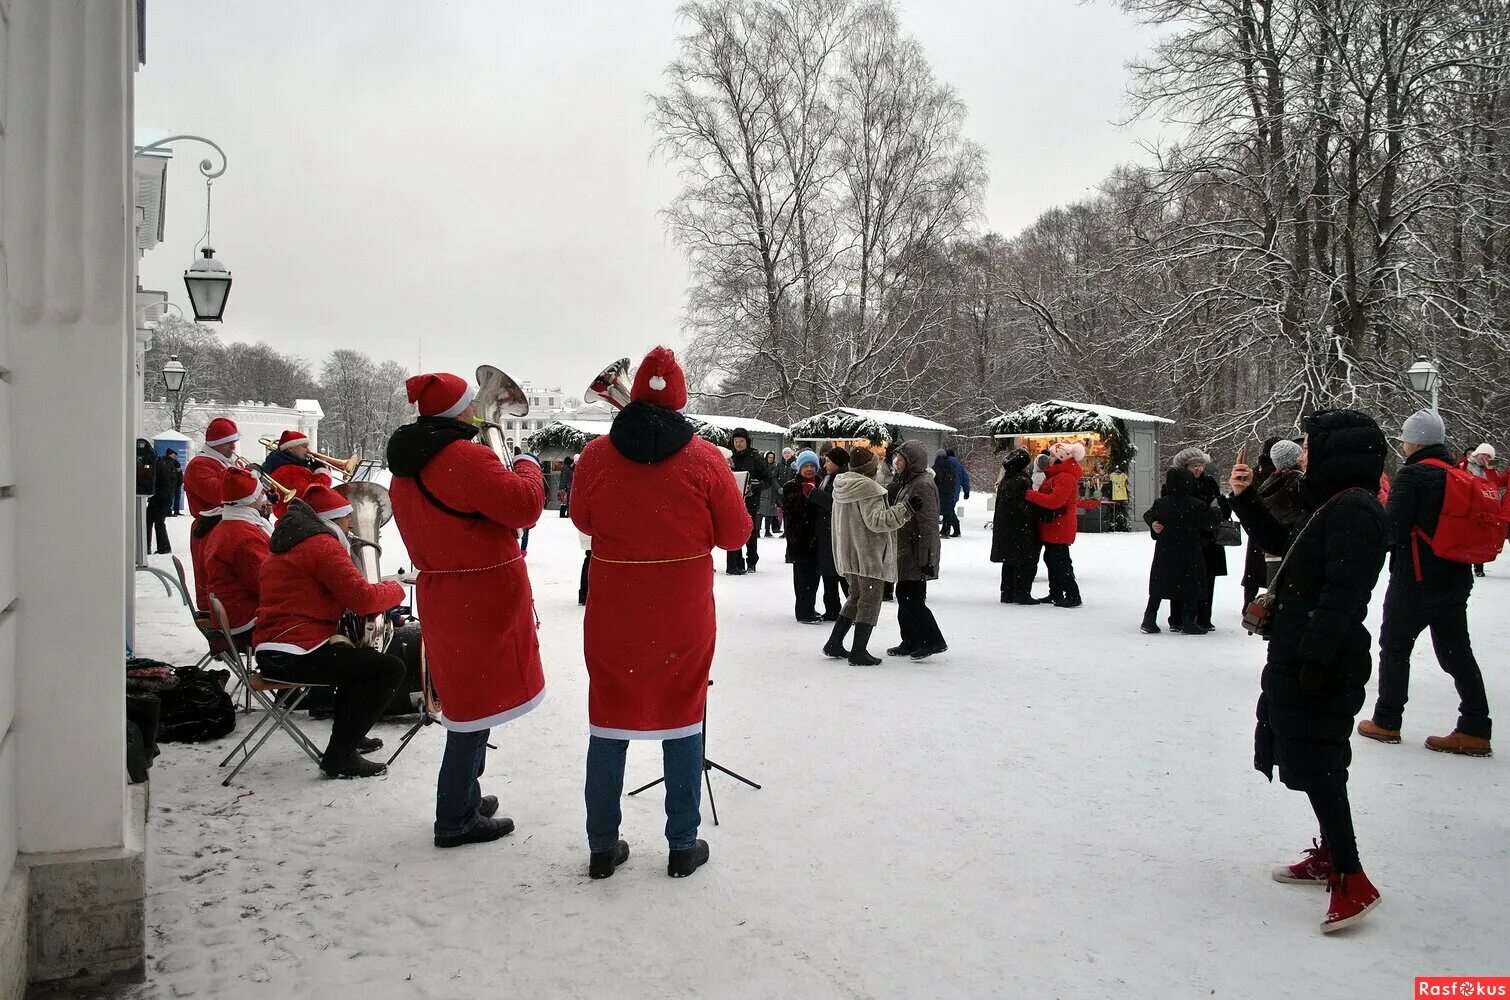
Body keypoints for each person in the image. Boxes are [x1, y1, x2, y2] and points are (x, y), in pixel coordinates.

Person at [570, 347, 751, 880]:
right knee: (682, 714)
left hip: (615, 608)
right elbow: (737, 534)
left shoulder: (596, 456)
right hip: (683, 609)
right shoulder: (706, 459)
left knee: (608, 719)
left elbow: (581, 517)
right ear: (680, 399)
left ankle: (602, 845)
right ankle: (681, 842)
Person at [1229, 408, 1389, 934]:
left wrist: (1316, 657)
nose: (1301, 451)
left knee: (1321, 766)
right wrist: (1248, 497)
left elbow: (1345, 597)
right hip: (1302, 647)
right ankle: (1332, 855)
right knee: (1308, 755)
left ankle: (1352, 876)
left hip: (1322, 654)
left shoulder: (1355, 510)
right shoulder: (1331, 503)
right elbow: (1282, 544)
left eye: (1308, 443)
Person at [386, 372, 547, 847]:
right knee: (473, 711)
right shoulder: (463, 458)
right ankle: (455, 815)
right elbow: (524, 508)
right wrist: (527, 465)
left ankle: (466, 796)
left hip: (445, 592)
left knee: (467, 703)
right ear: (460, 410)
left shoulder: (405, 466)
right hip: (482, 595)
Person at [1357, 409, 1493, 757]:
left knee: (1395, 648)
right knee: (1457, 653)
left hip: (1414, 579)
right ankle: (1476, 727)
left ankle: (1387, 721)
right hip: (1455, 579)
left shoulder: (1412, 476)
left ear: (1414, 441)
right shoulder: (1458, 474)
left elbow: (1394, 530)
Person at [254, 484, 407, 779]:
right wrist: (396, 589)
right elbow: (363, 600)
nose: (351, 524)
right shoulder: (321, 545)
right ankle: (340, 755)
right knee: (388, 669)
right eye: (348, 518)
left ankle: (350, 736)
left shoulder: (292, 543)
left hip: (277, 648)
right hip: (295, 653)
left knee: (355, 661)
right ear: (334, 519)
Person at [825, 447, 913, 665]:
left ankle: (834, 642)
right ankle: (858, 651)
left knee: (855, 598)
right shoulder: (869, 489)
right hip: (869, 555)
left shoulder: (842, 485)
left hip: (850, 555)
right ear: (870, 469)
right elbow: (877, 521)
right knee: (869, 601)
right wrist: (905, 510)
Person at [1141, 467, 1219, 634]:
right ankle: (1188, 621)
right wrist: (1217, 510)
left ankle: (1149, 619)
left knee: (1159, 586)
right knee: (1190, 584)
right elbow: (1209, 523)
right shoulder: (1195, 504)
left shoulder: (1161, 503)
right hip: (1189, 550)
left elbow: (1148, 515)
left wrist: (1153, 523)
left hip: (1165, 551)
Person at [202, 467, 273, 647]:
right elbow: (265, 583)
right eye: (259, 492)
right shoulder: (243, 535)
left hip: (235, 611)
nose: (263, 494)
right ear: (249, 499)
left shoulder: (229, 525)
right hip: (244, 619)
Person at [893, 441, 947, 659]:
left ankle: (932, 640)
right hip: (907, 550)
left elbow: (928, 525)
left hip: (916, 553)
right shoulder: (910, 481)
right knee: (904, 595)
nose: (897, 463)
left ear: (912, 462)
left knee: (911, 598)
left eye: (902, 459)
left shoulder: (922, 485)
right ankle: (910, 640)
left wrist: (927, 557)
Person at [183, 417, 240, 612]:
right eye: (228, 442)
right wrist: (245, 480)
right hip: (210, 530)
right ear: (216, 443)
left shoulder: (225, 462)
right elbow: (220, 493)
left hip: (228, 528)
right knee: (212, 578)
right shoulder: (199, 465)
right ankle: (214, 614)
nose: (233, 446)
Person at [1171, 447, 1230, 631]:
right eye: (1194, 466)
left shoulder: (1210, 482)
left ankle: (1204, 617)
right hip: (1185, 538)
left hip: (1208, 538)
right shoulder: (1174, 484)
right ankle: (1178, 618)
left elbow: (1221, 506)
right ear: (1184, 467)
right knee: (1182, 577)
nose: (1198, 469)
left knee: (1207, 578)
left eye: (1201, 465)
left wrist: (1218, 508)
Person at [1027, 441, 1085, 608]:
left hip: (1060, 525)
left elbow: (1055, 501)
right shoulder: (1057, 475)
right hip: (1054, 524)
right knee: (1052, 559)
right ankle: (1056, 593)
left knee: (1060, 561)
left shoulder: (1065, 477)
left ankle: (1072, 594)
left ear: (1061, 458)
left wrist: (1030, 495)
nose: (1049, 458)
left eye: (1053, 455)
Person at [1251, 439, 1307, 590]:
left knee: (1274, 593)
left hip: (1272, 549)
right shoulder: (1299, 483)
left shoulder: (1268, 484)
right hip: (1295, 546)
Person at [990, 449, 1041, 604]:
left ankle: (1007, 593)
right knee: (1023, 561)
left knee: (1009, 561)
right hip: (1020, 527)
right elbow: (1024, 506)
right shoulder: (1020, 480)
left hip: (1006, 526)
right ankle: (1021, 594)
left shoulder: (1008, 478)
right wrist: (1038, 513)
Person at [781, 450, 826, 624]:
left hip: (817, 538)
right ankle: (803, 612)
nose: (809, 469)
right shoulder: (791, 486)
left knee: (814, 576)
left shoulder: (821, 483)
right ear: (799, 468)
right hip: (799, 538)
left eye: (812, 466)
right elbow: (792, 507)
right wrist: (807, 495)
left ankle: (810, 607)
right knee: (802, 577)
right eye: (806, 466)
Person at [807, 447, 851, 621]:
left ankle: (852, 610)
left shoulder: (844, 480)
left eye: (828, 461)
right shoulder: (827, 478)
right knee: (828, 575)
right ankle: (832, 609)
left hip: (836, 533)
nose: (825, 464)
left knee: (841, 575)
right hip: (825, 534)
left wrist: (814, 494)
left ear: (838, 464)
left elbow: (837, 504)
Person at [1240, 437, 1282, 608]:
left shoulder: (1256, 472)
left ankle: (1248, 602)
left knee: (1253, 567)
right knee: (1274, 565)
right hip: (1276, 522)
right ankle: (1273, 600)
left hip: (1258, 524)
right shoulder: (1280, 473)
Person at [727, 429, 772, 574]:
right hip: (732, 501)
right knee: (733, 531)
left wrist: (757, 485)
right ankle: (736, 563)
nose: (738, 444)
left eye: (741, 441)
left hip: (751, 501)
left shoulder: (755, 458)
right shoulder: (729, 456)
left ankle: (751, 561)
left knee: (750, 532)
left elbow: (768, 479)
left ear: (747, 441)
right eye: (736, 441)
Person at [1459, 443, 1503, 577]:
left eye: (1489, 456)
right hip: (1466, 503)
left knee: (1479, 537)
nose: (1485, 458)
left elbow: (1495, 486)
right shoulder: (1465, 465)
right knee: (1465, 536)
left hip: (1482, 506)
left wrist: (1490, 470)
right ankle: (1463, 563)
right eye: (1484, 454)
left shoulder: (1489, 470)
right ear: (1477, 454)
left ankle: (1478, 566)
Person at [146, 449, 180, 554]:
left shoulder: (157, 464)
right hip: (166, 497)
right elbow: (178, 480)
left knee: (150, 521)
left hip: (158, 497)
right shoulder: (172, 464)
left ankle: (149, 547)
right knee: (159, 522)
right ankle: (163, 546)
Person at [938, 448, 971, 538]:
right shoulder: (959, 466)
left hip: (946, 492)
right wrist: (966, 491)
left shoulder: (945, 464)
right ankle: (946, 529)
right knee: (948, 511)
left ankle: (955, 529)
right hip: (955, 493)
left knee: (948, 512)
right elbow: (965, 479)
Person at [932, 450, 958, 538]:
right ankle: (945, 531)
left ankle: (934, 531)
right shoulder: (950, 466)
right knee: (948, 513)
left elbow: (933, 480)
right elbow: (955, 479)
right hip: (949, 493)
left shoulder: (936, 466)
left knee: (935, 512)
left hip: (939, 493)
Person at [759, 451, 781, 536]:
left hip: (772, 492)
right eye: (769, 457)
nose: (770, 459)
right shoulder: (762, 466)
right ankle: (757, 530)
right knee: (760, 512)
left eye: (772, 457)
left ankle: (767, 531)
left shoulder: (775, 467)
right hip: (764, 490)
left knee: (770, 511)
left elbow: (774, 479)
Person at [169, 451, 184, 516]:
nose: (175, 456)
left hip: (178, 483)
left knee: (177, 497)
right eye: (174, 455)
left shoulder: (176, 462)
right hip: (173, 483)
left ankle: (176, 511)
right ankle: (170, 511)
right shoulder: (170, 462)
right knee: (171, 497)